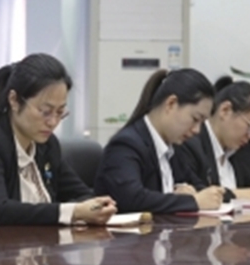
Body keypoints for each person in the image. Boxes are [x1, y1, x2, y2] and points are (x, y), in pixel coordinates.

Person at [0, 53, 117, 227]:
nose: (53, 122)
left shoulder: (47, 145)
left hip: (30, 245)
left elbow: (82, 194)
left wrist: (97, 206)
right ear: (14, 101)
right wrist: (73, 212)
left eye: (60, 112)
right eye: (45, 112)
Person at [94, 68, 225, 214]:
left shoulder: (174, 148)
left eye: (201, 123)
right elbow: (132, 198)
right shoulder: (126, 145)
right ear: (171, 104)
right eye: (195, 119)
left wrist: (194, 192)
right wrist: (193, 201)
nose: (197, 130)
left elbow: (199, 186)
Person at [177, 76, 250, 201]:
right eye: (248, 126)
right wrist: (236, 194)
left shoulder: (242, 151)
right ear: (225, 110)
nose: (249, 136)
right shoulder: (189, 144)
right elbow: (199, 195)